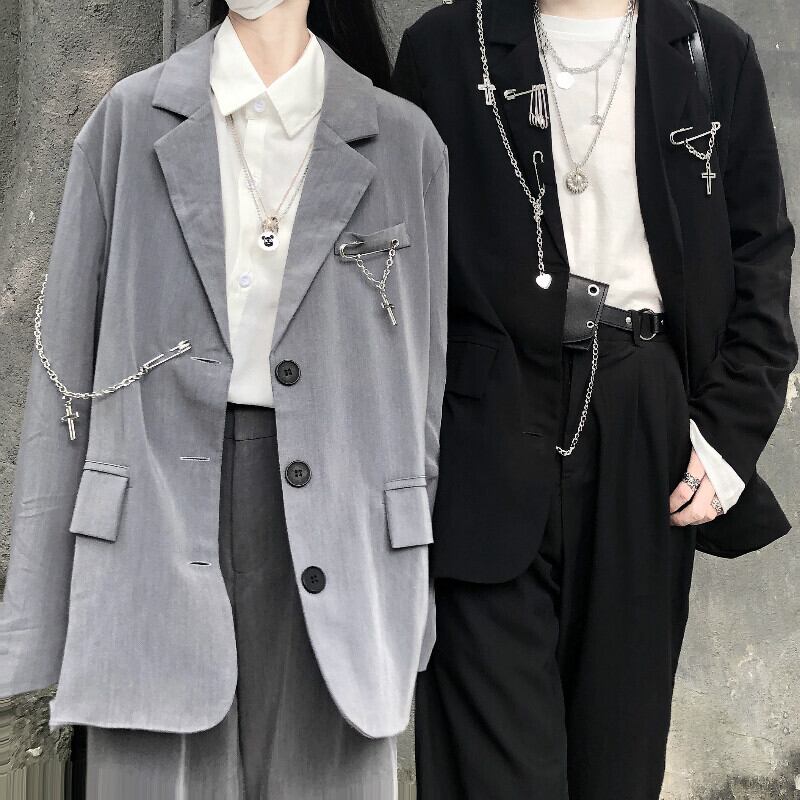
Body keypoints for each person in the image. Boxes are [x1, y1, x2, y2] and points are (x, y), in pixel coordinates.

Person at [0, 0, 448, 796]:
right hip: (152, 525)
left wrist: (408, 581)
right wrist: (35, 619)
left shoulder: (404, 142)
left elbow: (421, 387)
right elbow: (62, 369)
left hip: (343, 533)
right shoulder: (128, 123)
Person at [392, 0, 795, 797]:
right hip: (482, 422)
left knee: (619, 756)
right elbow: (393, 264)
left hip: (646, 421)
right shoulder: (446, 47)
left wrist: (726, 440)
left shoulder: (711, 51)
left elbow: (762, 256)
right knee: (489, 762)